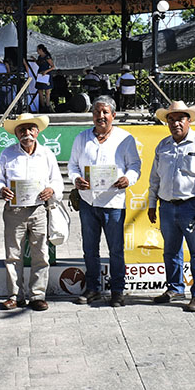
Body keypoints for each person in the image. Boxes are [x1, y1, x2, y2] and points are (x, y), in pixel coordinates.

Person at [68, 95, 142, 307]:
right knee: (90, 249)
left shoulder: (125, 138)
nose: (101, 116)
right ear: (92, 115)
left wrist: (129, 178)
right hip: (88, 203)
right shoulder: (81, 138)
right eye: (97, 112)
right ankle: (93, 288)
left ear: (113, 115)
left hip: (113, 204)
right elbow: (73, 165)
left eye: (105, 112)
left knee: (116, 250)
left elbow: (135, 165)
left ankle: (117, 290)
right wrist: (75, 179)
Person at [147, 100, 195, 313]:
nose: (176, 123)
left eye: (180, 119)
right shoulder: (163, 146)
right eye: (171, 119)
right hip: (167, 206)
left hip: (193, 205)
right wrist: (151, 204)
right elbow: (154, 178)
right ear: (167, 122)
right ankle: (175, 288)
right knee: (170, 251)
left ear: (189, 121)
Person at [0, 113, 64, 311]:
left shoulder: (47, 154)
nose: (27, 133)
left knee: (41, 254)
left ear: (37, 131)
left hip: (39, 210)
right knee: (13, 255)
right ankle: (14, 296)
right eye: (22, 129)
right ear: (16, 133)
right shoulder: (7, 154)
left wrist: (52, 190)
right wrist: (0, 190)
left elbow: (57, 181)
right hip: (14, 211)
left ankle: (38, 295)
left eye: (31, 129)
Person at [35, 44, 55, 111]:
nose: (37, 51)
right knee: (40, 90)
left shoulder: (47, 57)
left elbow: (52, 66)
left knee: (47, 91)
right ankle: (42, 106)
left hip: (46, 75)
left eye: (38, 50)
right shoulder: (39, 57)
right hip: (40, 74)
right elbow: (39, 64)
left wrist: (46, 71)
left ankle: (48, 105)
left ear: (41, 50)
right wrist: (35, 60)